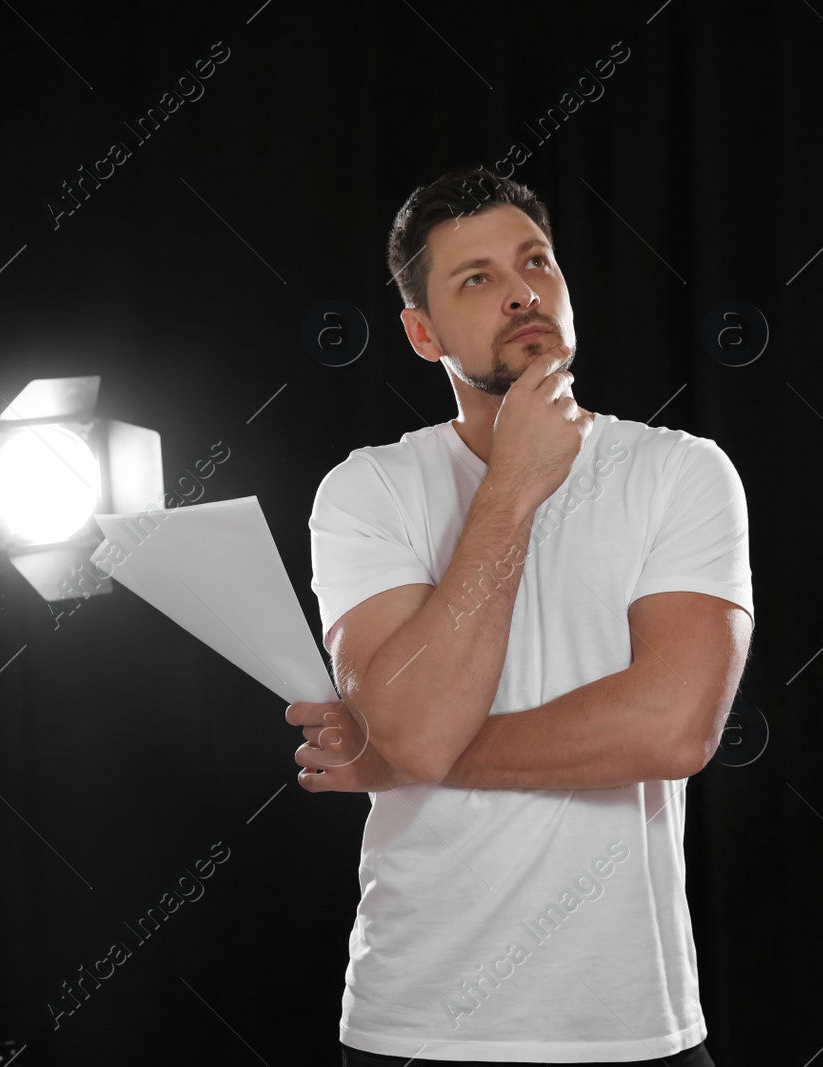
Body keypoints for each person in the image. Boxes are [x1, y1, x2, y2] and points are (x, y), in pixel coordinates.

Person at [287, 166, 753, 1066]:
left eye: (536, 262)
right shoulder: (367, 490)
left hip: (631, 1027)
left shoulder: (684, 471)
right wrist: (510, 487)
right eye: (478, 278)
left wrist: (398, 754)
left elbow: (674, 727)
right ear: (422, 334)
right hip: (416, 1025)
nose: (522, 291)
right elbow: (416, 725)